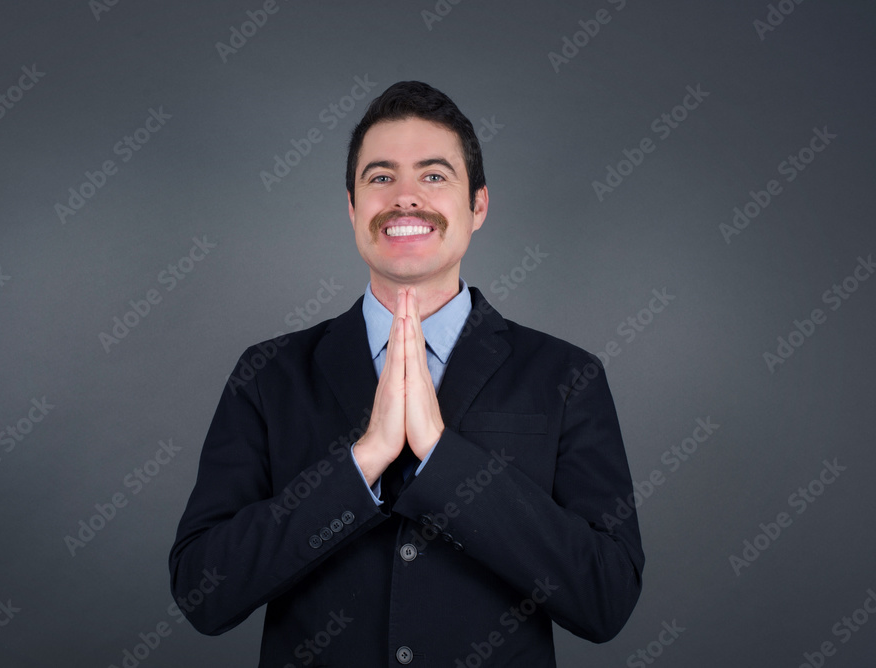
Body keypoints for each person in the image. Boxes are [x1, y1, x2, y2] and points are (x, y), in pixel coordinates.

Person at [169, 80, 643, 667]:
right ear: (352, 205)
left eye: (435, 176)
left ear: (479, 206)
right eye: (381, 176)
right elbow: (202, 592)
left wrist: (444, 459)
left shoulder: (568, 376)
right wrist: (362, 463)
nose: (406, 198)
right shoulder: (268, 374)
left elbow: (606, 599)